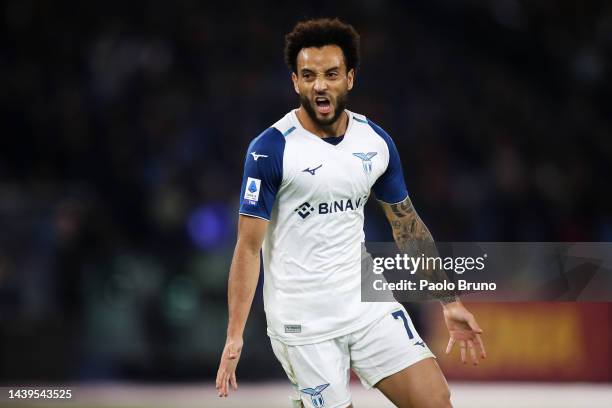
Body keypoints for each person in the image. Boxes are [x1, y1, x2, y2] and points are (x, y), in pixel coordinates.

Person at [216, 18, 486, 408]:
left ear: (350, 79)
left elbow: (407, 227)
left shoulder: (374, 142)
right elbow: (247, 248)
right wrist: (235, 333)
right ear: (295, 82)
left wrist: (449, 301)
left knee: (435, 401)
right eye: (308, 75)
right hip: (303, 323)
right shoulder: (270, 149)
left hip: (366, 305)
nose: (320, 85)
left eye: (331, 74)